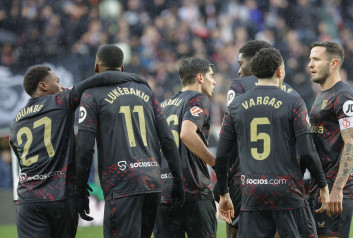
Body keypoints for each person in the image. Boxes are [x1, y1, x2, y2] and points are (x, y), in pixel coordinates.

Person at [9, 64, 147, 238]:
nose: (61, 86)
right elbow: (98, 79)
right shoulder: (60, 101)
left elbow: (19, 158)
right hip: (60, 196)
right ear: (43, 85)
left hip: (28, 200)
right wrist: (135, 78)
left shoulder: (16, 121)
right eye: (57, 81)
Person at [216, 48, 330, 238]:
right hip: (287, 191)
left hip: (251, 190)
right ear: (279, 71)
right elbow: (308, 151)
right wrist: (323, 186)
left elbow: (221, 156)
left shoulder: (235, 106)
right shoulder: (294, 102)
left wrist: (223, 194)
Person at [75, 44, 185, 238]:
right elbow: (167, 138)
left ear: (96, 67)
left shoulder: (91, 95)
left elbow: (84, 148)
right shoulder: (144, 89)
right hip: (151, 182)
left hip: (122, 184)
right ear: (123, 68)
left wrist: (80, 189)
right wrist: (178, 180)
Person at [154, 57, 217, 238]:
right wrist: (215, 163)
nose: (213, 81)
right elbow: (187, 134)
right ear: (199, 77)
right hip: (193, 189)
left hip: (165, 193)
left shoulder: (163, 106)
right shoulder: (199, 99)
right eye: (210, 76)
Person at [307, 41, 353, 238]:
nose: (310, 64)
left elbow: (352, 143)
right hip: (321, 188)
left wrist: (337, 188)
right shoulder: (323, 95)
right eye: (310, 59)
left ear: (333, 63)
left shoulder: (343, 96)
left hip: (335, 190)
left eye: (316, 59)